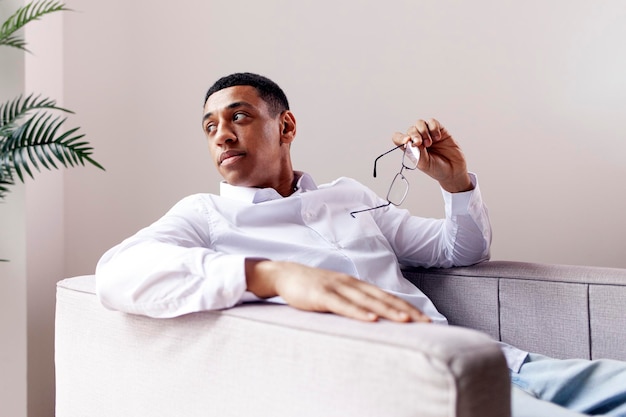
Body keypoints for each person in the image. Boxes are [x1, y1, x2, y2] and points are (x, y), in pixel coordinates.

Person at [96, 72, 626, 416]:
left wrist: (454, 183)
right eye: (209, 125)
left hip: (500, 361)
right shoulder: (205, 215)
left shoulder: (348, 196)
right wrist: (274, 274)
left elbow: (457, 252)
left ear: (287, 126)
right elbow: (117, 273)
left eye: (238, 115)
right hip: (418, 386)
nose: (221, 134)